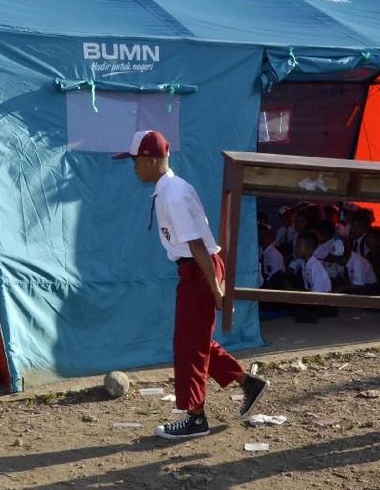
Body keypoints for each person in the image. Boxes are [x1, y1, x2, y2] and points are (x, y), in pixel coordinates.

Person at [113, 130, 269, 440]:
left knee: (189, 346)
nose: (134, 168)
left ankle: (196, 418)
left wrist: (216, 289)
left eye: (135, 161)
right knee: (194, 339)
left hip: (199, 269)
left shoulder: (172, 195)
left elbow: (196, 244)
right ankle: (247, 382)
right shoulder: (172, 188)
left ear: (150, 160)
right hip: (197, 269)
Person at [258, 224, 286, 289]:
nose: (261, 238)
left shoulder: (275, 255)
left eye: (264, 236)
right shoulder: (259, 250)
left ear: (269, 237)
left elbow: (277, 277)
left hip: (272, 286)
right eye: (260, 235)